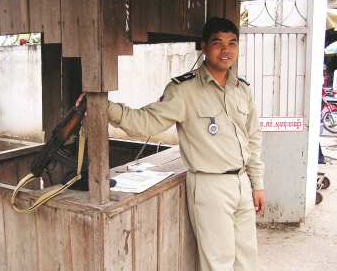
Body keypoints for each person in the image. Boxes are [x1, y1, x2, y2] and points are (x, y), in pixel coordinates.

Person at [78, 16, 265, 271]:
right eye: (217, 43)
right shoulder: (184, 90)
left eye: (232, 43)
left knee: (247, 260)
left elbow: (253, 139)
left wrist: (258, 184)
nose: (226, 50)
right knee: (218, 263)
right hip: (210, 185)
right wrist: (105, 108)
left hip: (242, 182)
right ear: (204, 47)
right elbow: (146, 122)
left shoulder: (242, 89)